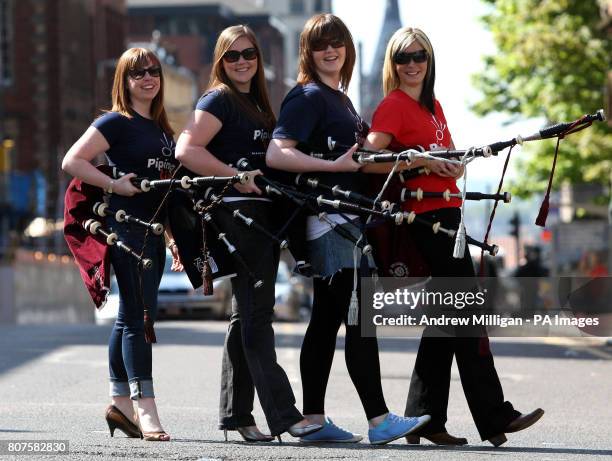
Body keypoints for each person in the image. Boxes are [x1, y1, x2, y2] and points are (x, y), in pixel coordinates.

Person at [365, 26, 544, 447]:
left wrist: (452, 166)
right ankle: (494, 415)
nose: (412, 64)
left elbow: (450, 158)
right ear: (393, 65)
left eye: (419, 56)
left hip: (449, 213)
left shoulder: (433, 106)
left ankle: (424, 418)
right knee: (464, 313)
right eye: (403, 58)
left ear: (430, 61)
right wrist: (416, 161)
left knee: (447, 320)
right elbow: (370, 159)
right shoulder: (393, 105)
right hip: (426, 220)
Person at [266, 13, 430, 445]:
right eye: (321, 44)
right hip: (330, 224)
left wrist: (413, 160)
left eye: (337, 42)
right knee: (348, 323)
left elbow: (359, 162)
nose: (330, 50)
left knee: (332, 321)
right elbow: (277, 153)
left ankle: (319, 420)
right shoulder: (307, 96)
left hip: (351, 224)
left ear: (348, 49)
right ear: (308, 51)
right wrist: (331, 166)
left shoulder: (340, 98)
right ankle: (374, 421)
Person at [175, 25, 321, 443]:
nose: (241, 61)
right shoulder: (218, 99)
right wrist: (234, 175)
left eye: (248, 54)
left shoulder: (256, 104)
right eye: (232, 56)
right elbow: (187, 150)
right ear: (220, 62)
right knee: (257, 315)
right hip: (237, 218)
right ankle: (285, 415)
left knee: (246, 315)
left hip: (263, 220)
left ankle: (237, 416)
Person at [62, 48, 180, 441]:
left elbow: (167, 194)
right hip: (127, 231)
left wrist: (175, 237)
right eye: (137, 73)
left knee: (129, 315)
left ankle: (119, 405)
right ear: (124, 81)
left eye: (154, 71)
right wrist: (112, 184)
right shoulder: (116, 123)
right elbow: (72, 161)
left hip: (154, 234)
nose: (148, 78)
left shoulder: (163, 130)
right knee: (138, 317)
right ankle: (146, 407)